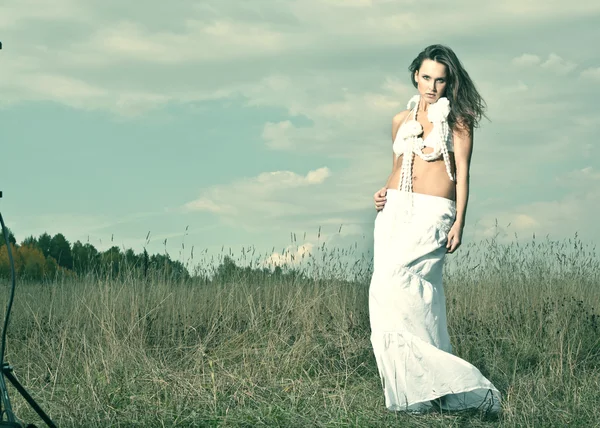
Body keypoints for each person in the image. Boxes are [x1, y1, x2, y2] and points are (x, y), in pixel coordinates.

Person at [369, 44, 501, 413]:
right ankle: (413, 395)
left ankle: (456, 384)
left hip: (434, 213)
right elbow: (399, 165)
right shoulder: (401, 119)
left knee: (416, 293)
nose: (432, 86)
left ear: (448, 83)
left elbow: (462, 172)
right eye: (426, 77)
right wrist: (383, 190)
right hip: (395, 210)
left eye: (440, 80)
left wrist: (460, 220)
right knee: (385, 293)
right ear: (415, 75)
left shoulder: (459, 119)